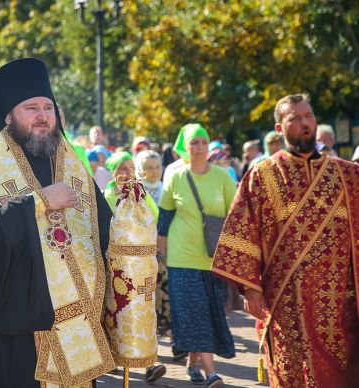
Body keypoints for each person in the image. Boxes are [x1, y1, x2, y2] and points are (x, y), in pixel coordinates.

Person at [0, 58, 114, 387]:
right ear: (9, 116)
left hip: (76, 323)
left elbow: (104, 230)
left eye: (48, 106)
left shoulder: (73, 167)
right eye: (31, 107)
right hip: (19, 326)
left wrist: (129, 221)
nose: (43, 115)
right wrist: (38, 202)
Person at [212, 94, 359, 387]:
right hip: (287, 304)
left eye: (309, 116)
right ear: (280, 128)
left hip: (340, 306)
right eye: (295, 118)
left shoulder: (348, 175)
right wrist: (251, 290)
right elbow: (243, 231)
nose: (305, 123)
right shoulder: (262, 175)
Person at [158, 123, 236, 388]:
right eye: (194, 143)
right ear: (185, 147)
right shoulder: (175, 177)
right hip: (181, 259)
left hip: (213, 259)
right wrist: (164, 257)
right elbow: (164, 220)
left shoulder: (223, 177)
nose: (200, 147)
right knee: (195, 313)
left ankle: (192, 365)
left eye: (203, 141)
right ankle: (211, 373)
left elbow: (234, 220)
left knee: (208, 313)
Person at [103, 151, 159, 218]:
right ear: (114, 172)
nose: (129, 172)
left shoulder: (141, 194)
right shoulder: (104, 195)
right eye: (124, 168)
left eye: (132, 167)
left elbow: (157, 218)